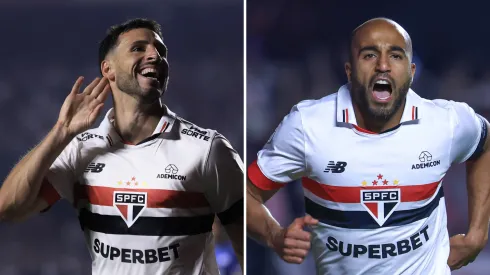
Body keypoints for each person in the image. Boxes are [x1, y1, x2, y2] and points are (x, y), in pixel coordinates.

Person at [246, 17, 490, 274]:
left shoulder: (445, 122)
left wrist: (477, 234)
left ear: (412, 71)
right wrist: (274, 235)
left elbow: (484, 143)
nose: (383, 66)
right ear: (349, 70)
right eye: (370, 55)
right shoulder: (308, 126)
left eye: (396, 56)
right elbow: (245, 195)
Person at [0, 18, 243, 275]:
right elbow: (8, 208)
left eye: (160, 51)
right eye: (138, 48)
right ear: (108, 70)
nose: (154, 55)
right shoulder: (81, 150)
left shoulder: (206, 149)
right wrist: (60, 132)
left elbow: (247, 239)